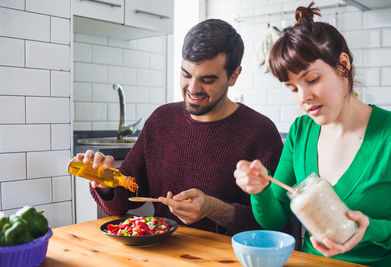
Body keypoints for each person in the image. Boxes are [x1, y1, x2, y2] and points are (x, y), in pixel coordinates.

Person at [78, 19, 284, 236]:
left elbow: (279, 227)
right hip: (161, 253)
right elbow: (122, 200)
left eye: (207, 80)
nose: (193, 89)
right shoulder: (161, 120)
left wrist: (215, 209)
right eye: (186, 74)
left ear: (234, 75)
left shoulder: (261, 133)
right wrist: (105, 183)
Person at [234, 2, 391, 266]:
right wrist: (259, 190)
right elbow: (276, 218)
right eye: (293, 88)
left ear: (342, 65)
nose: (304, 98)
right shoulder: (301, 132)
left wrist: (373, 229)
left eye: (312, 80)